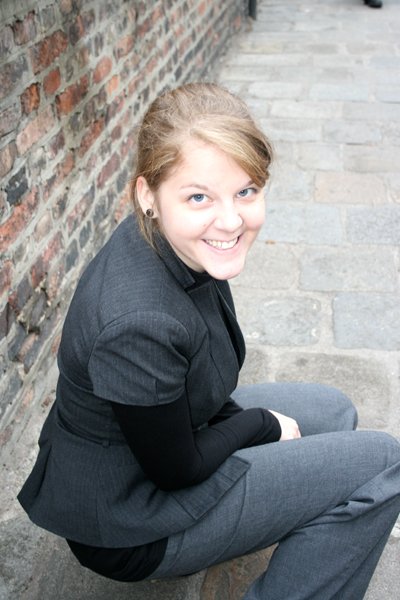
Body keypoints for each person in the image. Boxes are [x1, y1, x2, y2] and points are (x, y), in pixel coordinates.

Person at [18, 82, 400, 599]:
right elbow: (178, 469)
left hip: (170, 437)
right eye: (199, 196)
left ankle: (290, 529)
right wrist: (261, 424)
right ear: (148, 195)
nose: (231, 220)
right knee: (383, 464)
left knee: (333, 412)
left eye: (246, 191)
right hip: (133, 520)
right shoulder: (138, 322)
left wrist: (256, 428)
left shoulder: (174, 239)